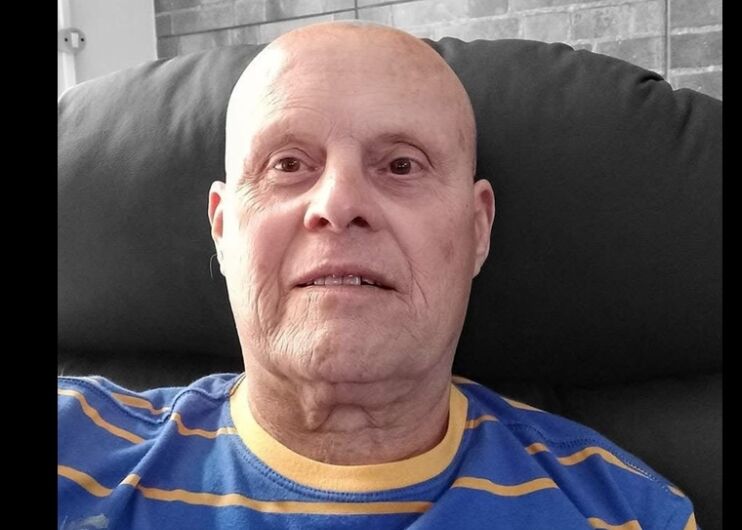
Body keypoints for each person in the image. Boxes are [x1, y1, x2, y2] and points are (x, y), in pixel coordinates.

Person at [58, 21, 698, 530]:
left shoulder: (627, 513)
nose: (339, 204)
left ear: (478, 228)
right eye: (288, 164)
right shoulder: (71, 444)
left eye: (401, 165)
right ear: (222, 230)